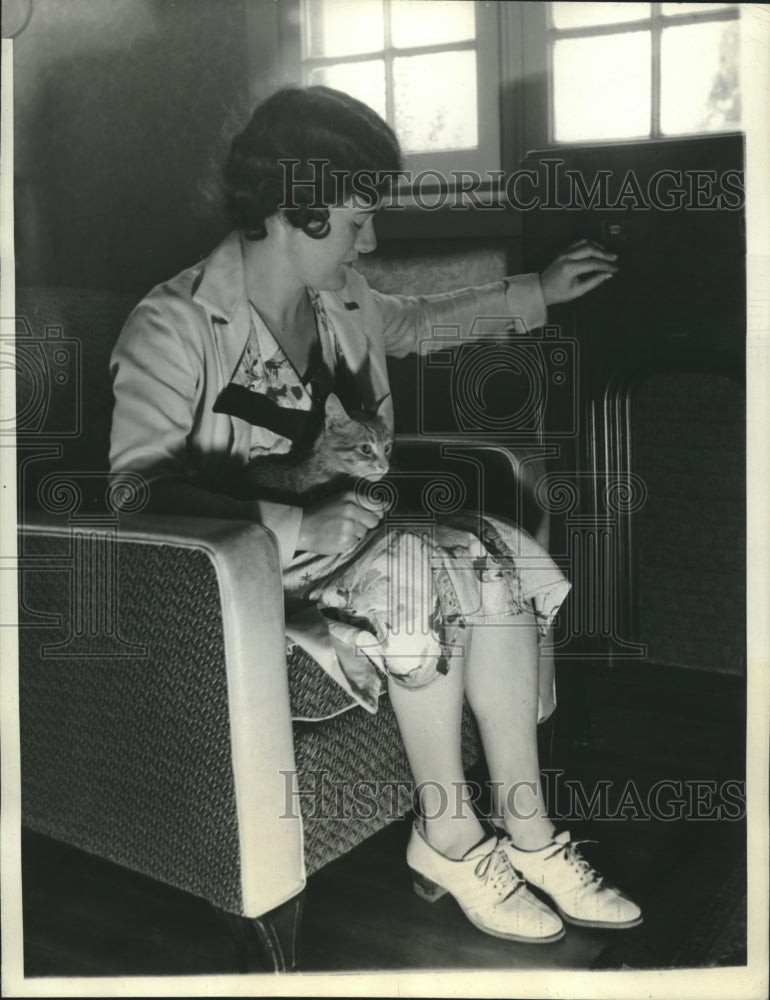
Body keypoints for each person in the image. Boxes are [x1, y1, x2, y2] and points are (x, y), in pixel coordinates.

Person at [110, 85, 641, 943]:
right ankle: (451, 836)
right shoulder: (171, 325)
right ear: (297, 211)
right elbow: (135, 495)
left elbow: (422, 322)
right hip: (245, 585)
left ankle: (531, 832)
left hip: (350, 559)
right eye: (360, 221)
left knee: (488, 553)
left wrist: (536, 292)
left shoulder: (343, 297)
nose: (373, 239)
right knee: (418, 567)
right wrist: (292, 526)